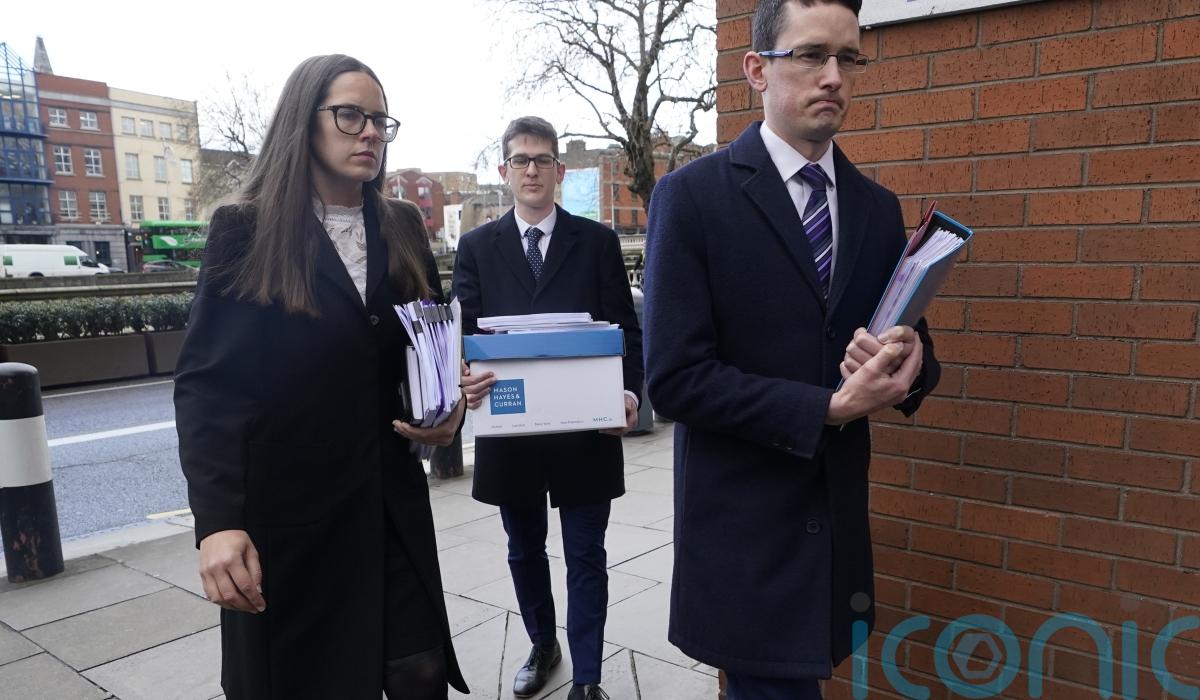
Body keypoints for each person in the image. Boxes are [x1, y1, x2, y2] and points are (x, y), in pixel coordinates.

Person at [642, 1, 942, 698]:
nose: (833, 76)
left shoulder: (875, 207)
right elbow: (676, 378)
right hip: (742, 539)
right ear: (757, 69)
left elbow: (912, 336)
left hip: (834, 535)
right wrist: (826, 408)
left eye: (848, 58)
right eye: (810, 55)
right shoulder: (691, 199)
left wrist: (911, 361)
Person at [174, 54, 468, 700]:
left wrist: (449, 412)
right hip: (290, 517)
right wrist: (218, 522)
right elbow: (208, 388)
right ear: (304, 122)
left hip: (388, 504)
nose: (370, 133)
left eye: (380, 121)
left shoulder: (402, 226)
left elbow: (429, 347)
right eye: (350, 116)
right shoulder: (246, 229)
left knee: (419, 671)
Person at [455, 116, 643, 700]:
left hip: (585, 433)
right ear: (504, 170)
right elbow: (462, 336)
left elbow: (627, 331)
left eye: (542, 160)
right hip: (510, 428)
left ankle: (587, 677)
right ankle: (542, 645)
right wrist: (462, 378)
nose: (531, 170)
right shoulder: (476, 248)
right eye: (520, 160)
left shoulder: (597, 242)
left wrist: (629, 394)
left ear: (559, 170)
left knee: (586, 553)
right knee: (524, 550)